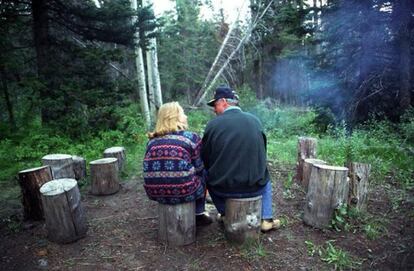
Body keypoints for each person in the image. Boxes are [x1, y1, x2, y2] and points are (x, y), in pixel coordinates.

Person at [201, 86, 280, 232]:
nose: (214, 109)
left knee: (204, 173)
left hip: (223, 190)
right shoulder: (255, 121)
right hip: (255, 188)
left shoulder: (212, 125)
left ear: (224, 102)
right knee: (265, 173)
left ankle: (225, 213)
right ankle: (267, 218)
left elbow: (204, 158)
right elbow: (262, 153)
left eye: (215, 105)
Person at [143, 102, 212, 226]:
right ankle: (199, 213)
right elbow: (199, 168)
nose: (186, 116)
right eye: (183, 113)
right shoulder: (191, 138)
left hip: (155, 192)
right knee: (204, 173)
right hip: (184, 191)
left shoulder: (151, 142)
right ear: (175, 117)